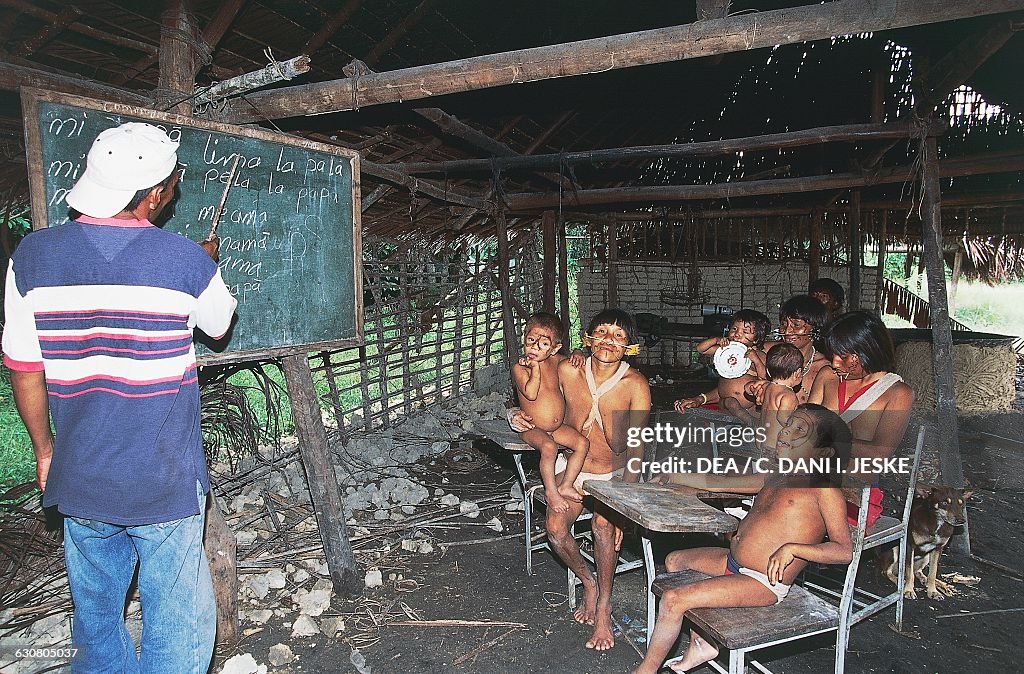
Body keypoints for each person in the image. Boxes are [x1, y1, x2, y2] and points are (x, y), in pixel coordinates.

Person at [2, 122, 237, 673]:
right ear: (154, 194)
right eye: (172, 186)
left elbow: (24, 367)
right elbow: (220, 323)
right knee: (178, 619)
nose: (173, 194)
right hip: (164, 479)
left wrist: (44, 450)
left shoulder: (31, 258)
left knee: (97, 616)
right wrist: (205, 261)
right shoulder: (184, 260)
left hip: (81, 475)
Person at [632, 405, 855, 674]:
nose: (786, 431)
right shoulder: (776, 476)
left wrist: (794, 549)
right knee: (675, 560)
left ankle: (645, 670)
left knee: (673, 599)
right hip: (731, 561)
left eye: (800, 430)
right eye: (789, 424)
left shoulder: (824, 490)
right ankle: (703, 642)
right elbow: (717, 482)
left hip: (762, 581)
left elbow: (843, 551)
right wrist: (673, 476)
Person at [510, 308, 651, 650]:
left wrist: (623, 506)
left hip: (614, 474)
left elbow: (636, 450)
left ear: (629, 346)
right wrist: (513, 413)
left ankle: (604, 606)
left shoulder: (636, 385)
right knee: (556, 530)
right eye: (601, 332)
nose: (608, 341)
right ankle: (587, 582)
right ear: (588, 339)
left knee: (604, 527)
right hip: (573, 464)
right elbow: (532, 388)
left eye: (618, 336)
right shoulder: (568, 369)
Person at [808, 310, 913, 526]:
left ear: (867, 352)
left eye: (843, 357)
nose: (835, 363)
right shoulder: (828, 376)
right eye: (833, 354)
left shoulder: (897, 393)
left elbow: (879, 454)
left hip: (855, 498)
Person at [512, 312, 590, 513]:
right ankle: (551, 492)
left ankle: (566, 484)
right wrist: (535, 369)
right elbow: (530, 393)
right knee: (549, 447)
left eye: (543, 344)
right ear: (524, 338)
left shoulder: (556, 361)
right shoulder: (520, 369)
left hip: (557, 427)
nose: (534, 347)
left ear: (554, 348)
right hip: (532, 427)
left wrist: (578, 352)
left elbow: (574, 358)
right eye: (531, 340)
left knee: (582, 443)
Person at [674, 309, 769, 418]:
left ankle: (751, 422)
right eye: (734, 329)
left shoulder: (759, 355)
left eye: (745, 332)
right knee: (731, 402)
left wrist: (756, 360)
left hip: (749, 408)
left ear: (757, 339)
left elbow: (764, 380)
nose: (737, 334)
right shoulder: (726, 350)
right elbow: (701, 349)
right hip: (725, 403)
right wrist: (716, 340)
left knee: (756, 422)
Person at [732, 343, 803, 455]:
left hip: (761, 443)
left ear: (768, 371)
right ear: (798, 373)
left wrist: (755, 386)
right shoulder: (788, 395)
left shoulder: (767, 387)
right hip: (776, 448)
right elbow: (783, 418)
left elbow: (747, 389)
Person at [759, 295, 831, 405]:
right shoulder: (768, 352)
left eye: (796, 325)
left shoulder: (825, 368)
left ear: (815, 329)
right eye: (784, 324)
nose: (787, 331)